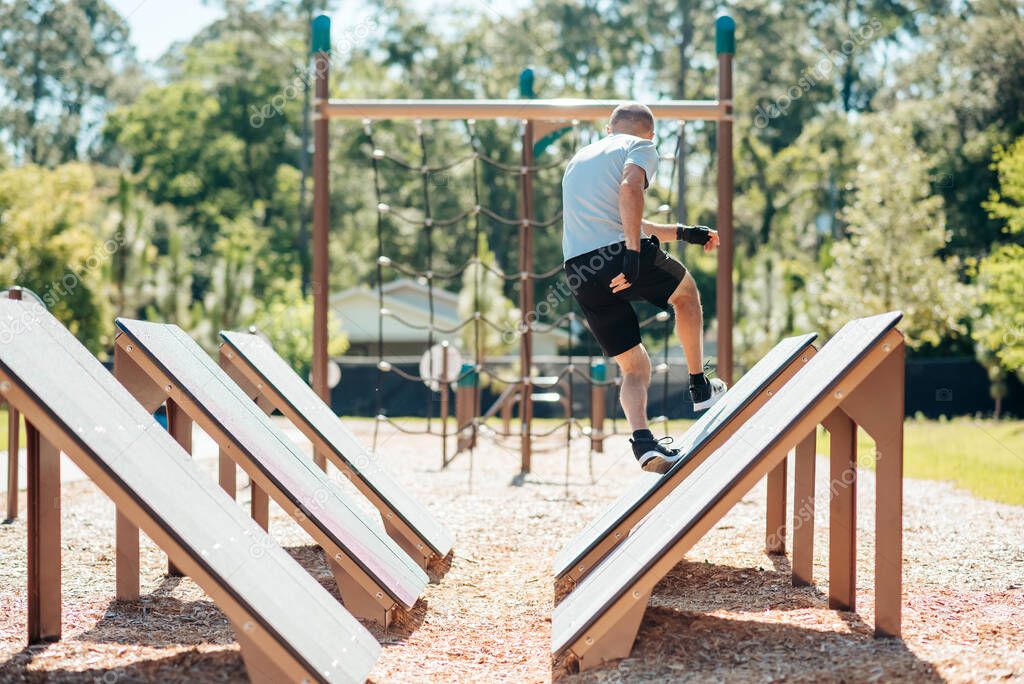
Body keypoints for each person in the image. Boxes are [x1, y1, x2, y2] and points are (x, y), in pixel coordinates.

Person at [562, 102, 727, 474]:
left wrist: (683, 233)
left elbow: (625, 214)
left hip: (579, 271)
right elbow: (630, 189)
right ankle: (700, 387)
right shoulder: (640, 146)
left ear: (608, 128)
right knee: (686, 295)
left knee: (635, 367)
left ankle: (643, 443)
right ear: (649, 133)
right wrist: (633, 255)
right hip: (619, 254)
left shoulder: (579, 159)